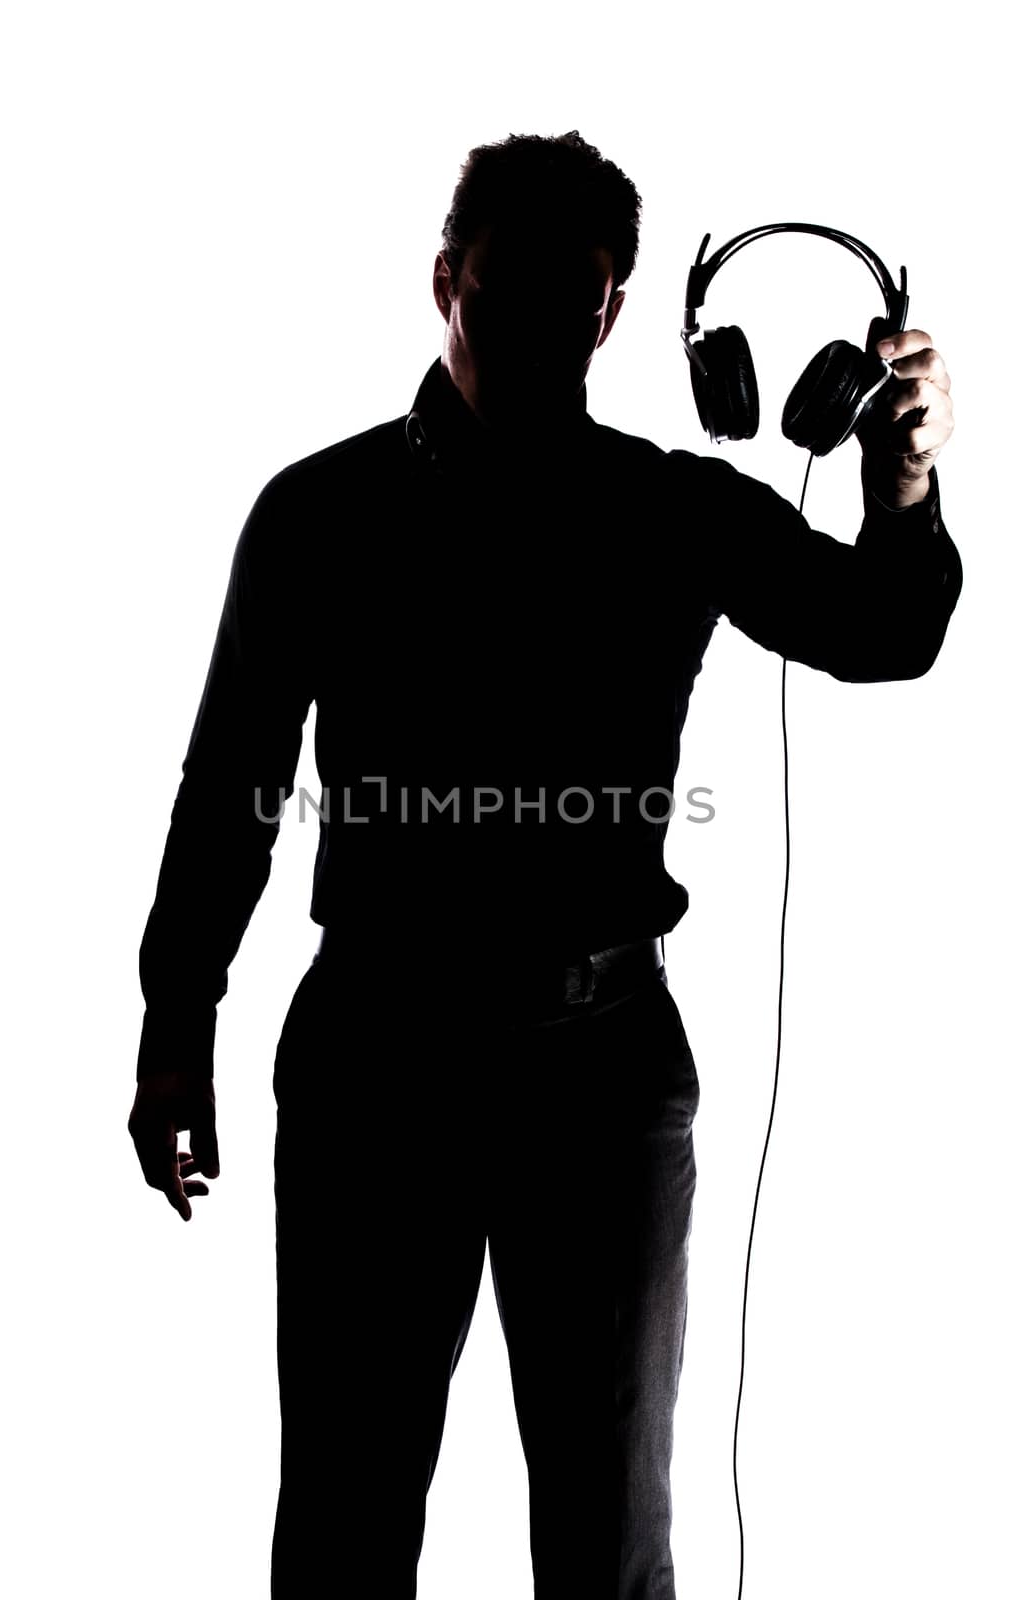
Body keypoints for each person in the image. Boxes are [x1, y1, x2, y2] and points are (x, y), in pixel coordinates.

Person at [128, 131, 961, 1599]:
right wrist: (174, 1021)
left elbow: (883, 635)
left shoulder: (677, 509)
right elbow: (231, 789)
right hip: (374, 1068)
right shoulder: (316, 513)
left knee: (610, 1536)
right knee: (343, 1517)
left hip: (605, 1079)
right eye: (502, 293)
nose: (534, 334)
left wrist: (904, 490)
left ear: (616, 312)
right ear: (444, 282)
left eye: (571, 307)